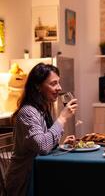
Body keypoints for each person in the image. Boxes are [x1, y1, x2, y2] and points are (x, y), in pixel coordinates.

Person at [5, 63, 77, 196]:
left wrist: (60, 145)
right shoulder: (28, 112)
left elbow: (44, 143)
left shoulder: (43, 108)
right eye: (53, 83)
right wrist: (62, 118)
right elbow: (43, 146)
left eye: (59, 83)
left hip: (39, 173)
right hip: (24, 182)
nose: (59, 88)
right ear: (38, 86)